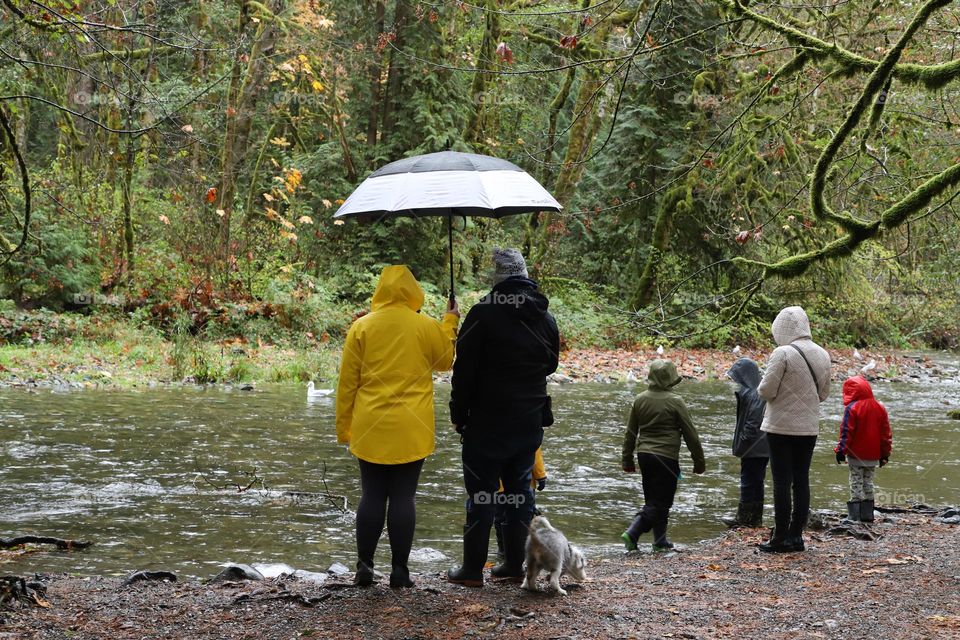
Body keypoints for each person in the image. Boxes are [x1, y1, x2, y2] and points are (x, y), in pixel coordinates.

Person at [335, 265, 459, 588]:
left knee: (372, 496)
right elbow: (446, 360)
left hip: (369, 427)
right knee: (404, 497)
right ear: (412, 291)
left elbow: (347, 384)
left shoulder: (361, 328)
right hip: (411, 429)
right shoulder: (425, 326)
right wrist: (451, 320)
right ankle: (400, 572)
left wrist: (344, 428)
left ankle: (364, 567)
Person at [447, 248, 560, 588]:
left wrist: (458, 413)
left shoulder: (483, 314)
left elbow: (462, 371)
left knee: (482, 494)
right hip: (528, 421)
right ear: (524, 274)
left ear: (497, 278)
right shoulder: (544, 316)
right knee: (519, 494)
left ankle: (471, 571)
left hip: (486, 422)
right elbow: (551, 364)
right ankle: (514, 563)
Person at [756, 306, 831, 553]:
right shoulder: (822, 354)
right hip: (808, 428)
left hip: (779, 427)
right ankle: (796, 537)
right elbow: (824, 394)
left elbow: (766, 391)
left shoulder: (782, 353)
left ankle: (779, 538)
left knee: (781, 482)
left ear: (782, 328)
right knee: (801, 480)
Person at [620, 359, 705, 551]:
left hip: (644, 456)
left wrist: (627, 459)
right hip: (666, 457)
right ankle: (633, 531)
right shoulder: (676, 402)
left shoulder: (639, 399)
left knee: (654, 499)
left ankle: (660, 541)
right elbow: (690, 433)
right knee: (662, 501)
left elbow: (630, 432)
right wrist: (698, 462)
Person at [834, 375, 892, 523]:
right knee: (868, 482)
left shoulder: (852, 408)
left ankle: (855, 516)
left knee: (855, 481)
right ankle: (867, 514)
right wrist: (885, 454)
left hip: (855, 454)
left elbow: (847, 432)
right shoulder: (880, 407)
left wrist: (841, 450)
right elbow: (885, 433)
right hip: (873, 455)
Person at [722, 358, 769, 528]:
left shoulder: (754, 393)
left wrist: (743, 442)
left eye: (737, 377)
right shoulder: (755, 390)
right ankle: (753, 519)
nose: (735, 380)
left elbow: (753, 422)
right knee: (755, 480)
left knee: (749, 480)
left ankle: (745, 519)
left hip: (754, 446)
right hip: (760, 446)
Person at [495, 448, 547, 559]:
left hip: (499, 485)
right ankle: (521, 550)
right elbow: (535, 449)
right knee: (523, 515)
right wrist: (540, 475)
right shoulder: (528, 431)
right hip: (524, 483)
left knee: (501, 517)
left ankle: (503, 550)